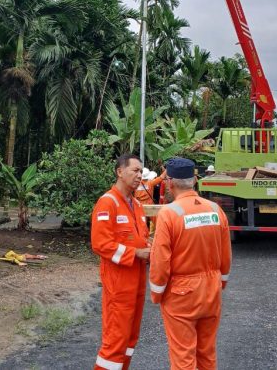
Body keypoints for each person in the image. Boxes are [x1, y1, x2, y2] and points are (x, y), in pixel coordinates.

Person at [149, 157, 232, 370]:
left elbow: (160, 260)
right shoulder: (215, 209)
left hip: (181, 294)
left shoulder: (169, 214)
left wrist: (157, 293)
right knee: (206, 353)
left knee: (183, 356)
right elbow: (226, 253)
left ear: (169, 182)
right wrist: (221, 282)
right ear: (194, 180)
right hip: (211, 290)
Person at [91, 153, 150, 370]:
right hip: (119, 283)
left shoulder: (137, 205)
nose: (139, 176)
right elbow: (100, 243)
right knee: (115, 341)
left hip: (137, 281)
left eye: (141, 172)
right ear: (119, 172)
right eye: (135, 171)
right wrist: (136, 253)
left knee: (130, 340)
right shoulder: (108, 202)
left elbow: (140, 238)